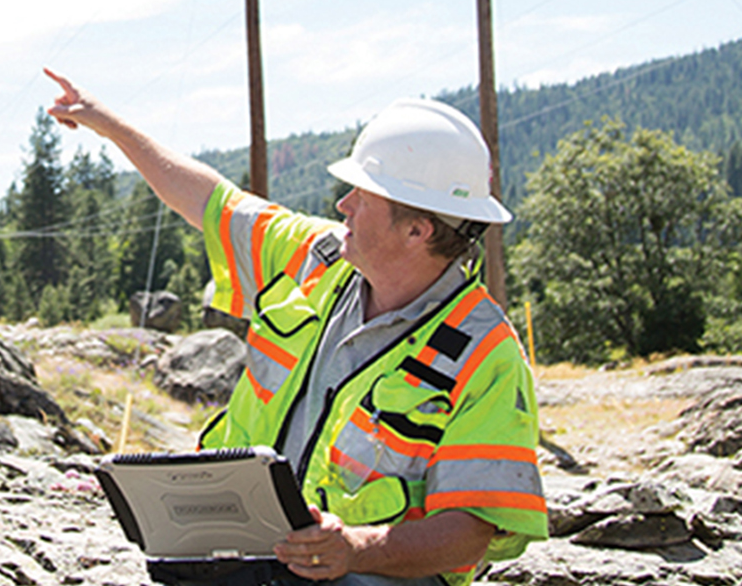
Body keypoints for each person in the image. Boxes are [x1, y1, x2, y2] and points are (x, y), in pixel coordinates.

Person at [44, 69, 546, 586]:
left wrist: (356, 548)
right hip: (251, 551)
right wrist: (106, 123)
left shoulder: (487, 355)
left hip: (372, 576)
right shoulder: (315, 258)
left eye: (362, 195)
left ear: (418, 229)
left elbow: (472, 531)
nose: (342, 205)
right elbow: (210, 201)